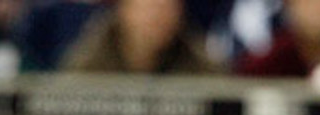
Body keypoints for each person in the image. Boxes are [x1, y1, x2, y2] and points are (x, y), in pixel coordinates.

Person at [57, 0, 220, 74]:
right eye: (149, 8)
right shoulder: (88, 66)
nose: (158, 18)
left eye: (167, 8)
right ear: (124, 10)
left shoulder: (201, 69)